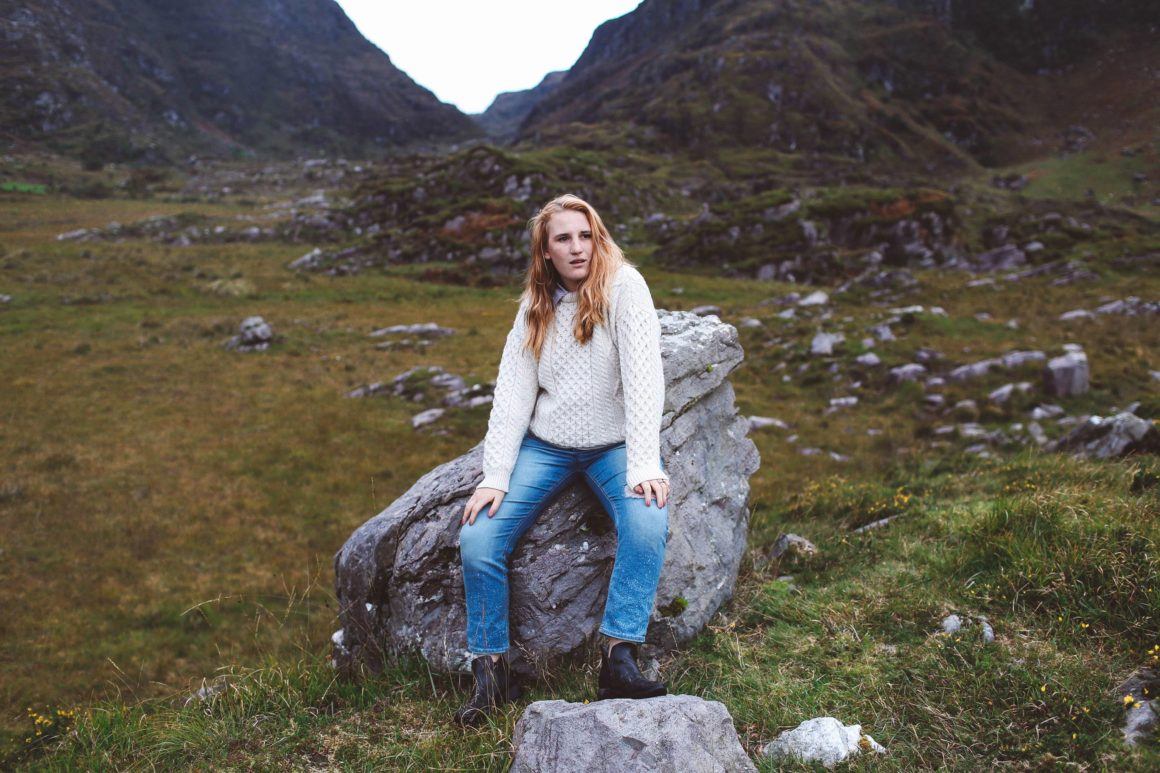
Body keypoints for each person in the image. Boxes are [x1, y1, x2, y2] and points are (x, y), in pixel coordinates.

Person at [453, 193, 672, 726]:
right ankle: (490, 671)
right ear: (545, 251)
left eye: (585, 235)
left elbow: (645, 379)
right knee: (478, 537)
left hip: (613, 447)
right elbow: (512, 395)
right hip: (545, 447)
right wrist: (495, 476)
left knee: (648, 522)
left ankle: (619, 658)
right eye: (563, 239)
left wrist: (645, 463)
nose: (577, 248)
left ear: (597, 237)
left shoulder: (625, 287)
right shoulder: (536, 305)